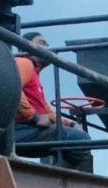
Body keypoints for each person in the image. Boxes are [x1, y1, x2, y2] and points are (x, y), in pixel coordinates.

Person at [13, 32, 93, 171]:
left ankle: (62, 174)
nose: (47, 48)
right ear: (25, 48)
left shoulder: (35, 76)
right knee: (81, 139)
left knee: (75, 134)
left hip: (25, 128)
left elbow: (46, 111)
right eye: (41, 43)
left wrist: (71, 123)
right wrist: (33, 117)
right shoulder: (24, 63)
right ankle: (68, 179)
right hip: (18, 129)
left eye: (47, 45)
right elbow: (12, 86)